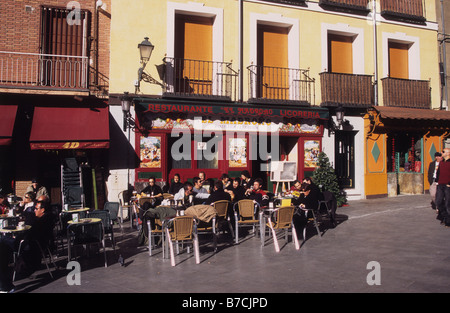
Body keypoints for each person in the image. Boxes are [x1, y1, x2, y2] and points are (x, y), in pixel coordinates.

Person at [0, 195, 54, 292]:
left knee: (2, 241)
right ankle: (4, 282)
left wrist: (18, 237)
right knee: (3, 247)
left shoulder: (41, 222)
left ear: (43, 210)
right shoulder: (47, 219)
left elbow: (29, 234)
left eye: (36, 209)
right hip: (31, 245)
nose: (34, 210)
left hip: (27, 246)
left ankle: (4, 284)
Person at [436, 148, 450, 226]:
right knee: (438, 202)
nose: (442, 153)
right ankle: (445, 216)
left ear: (448, 153)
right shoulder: (441, 162)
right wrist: (437, 181)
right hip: (440, 185)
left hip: (448, 185)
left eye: (443, 152)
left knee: (448, 203)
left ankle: (448, 220)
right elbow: (438, 173)